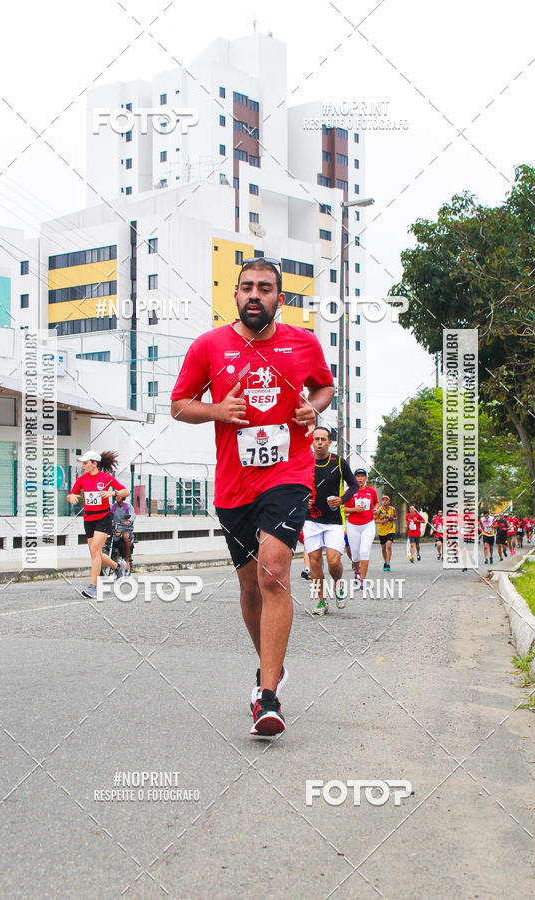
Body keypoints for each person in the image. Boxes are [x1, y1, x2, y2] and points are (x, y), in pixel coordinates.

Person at [170, 257, 334, 737]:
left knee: (274, 569)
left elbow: (324, 387)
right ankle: (270, 665)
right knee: (249, 586)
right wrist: (217, 409)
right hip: (234, 484)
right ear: (236, 296)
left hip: (288, 472)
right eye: (247, 288)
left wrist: (311, 409)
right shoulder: (209, 346)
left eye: (265, 288)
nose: (255, 295)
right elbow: (179, 404)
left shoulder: (302, 343)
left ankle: (267, 697)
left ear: (280, 299)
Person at [304, 427, 359, 616]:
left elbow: (354, 484)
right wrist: (303, 500)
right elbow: (294, 486)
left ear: (329, 442)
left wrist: (342, 499)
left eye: (323, 439)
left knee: (333, 562)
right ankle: (321, 601)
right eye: (316, 439)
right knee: (314, 560)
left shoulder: (338, 462)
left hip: (334, 520)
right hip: (311, 519)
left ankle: (337, 585)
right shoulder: (304, 461)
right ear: (312, 441)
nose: (319, 442)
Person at [67, 450, 129, 599]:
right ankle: (117, 567)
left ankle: (93, 587)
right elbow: (70, 495)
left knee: (95, 550)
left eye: (85, 463)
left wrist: (113, 494)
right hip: (88, 519)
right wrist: (72, 497)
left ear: (94, 463)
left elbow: (125, 491)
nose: (83, 465)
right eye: (82, 463)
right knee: (96, 554)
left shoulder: (106, 478)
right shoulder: (82, 479)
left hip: (104, 518)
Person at [344, 469, 378, 588]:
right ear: (354, 478)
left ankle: (362, 580)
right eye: (357, 476)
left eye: (362, 476)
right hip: (353, 526)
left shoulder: (372, 491)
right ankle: (357, 571)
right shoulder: (349, 491)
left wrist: (376, 510)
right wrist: (354, 510)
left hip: (368, 525)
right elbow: (343, 508)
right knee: (355, 556)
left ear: (365, 478)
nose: (360, 478)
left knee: (364, 552)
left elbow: (376, 504)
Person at [111, 495, 136, 574]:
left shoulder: (128, 506)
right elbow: (106, 514)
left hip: (126, 528)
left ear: (123, 498)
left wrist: (129, 521)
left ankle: (127, 560)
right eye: (116, 496)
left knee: (125, 537)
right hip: (115, 529)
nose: (117, 498)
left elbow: (133, 515)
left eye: (119, 496)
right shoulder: (112, 507)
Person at [375, 494, 396, 571]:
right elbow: (374, 520)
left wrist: (392, 518)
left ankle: (388, 563)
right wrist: (381, 521)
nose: (385, 501)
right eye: (383, 500)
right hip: (382, 531)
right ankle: (385, 561)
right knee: (383, 548)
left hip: (391, 529)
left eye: (386, 500)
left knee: (389, 546)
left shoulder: (392, 509)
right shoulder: (379, 510)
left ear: (389, 501)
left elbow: (395, 517)